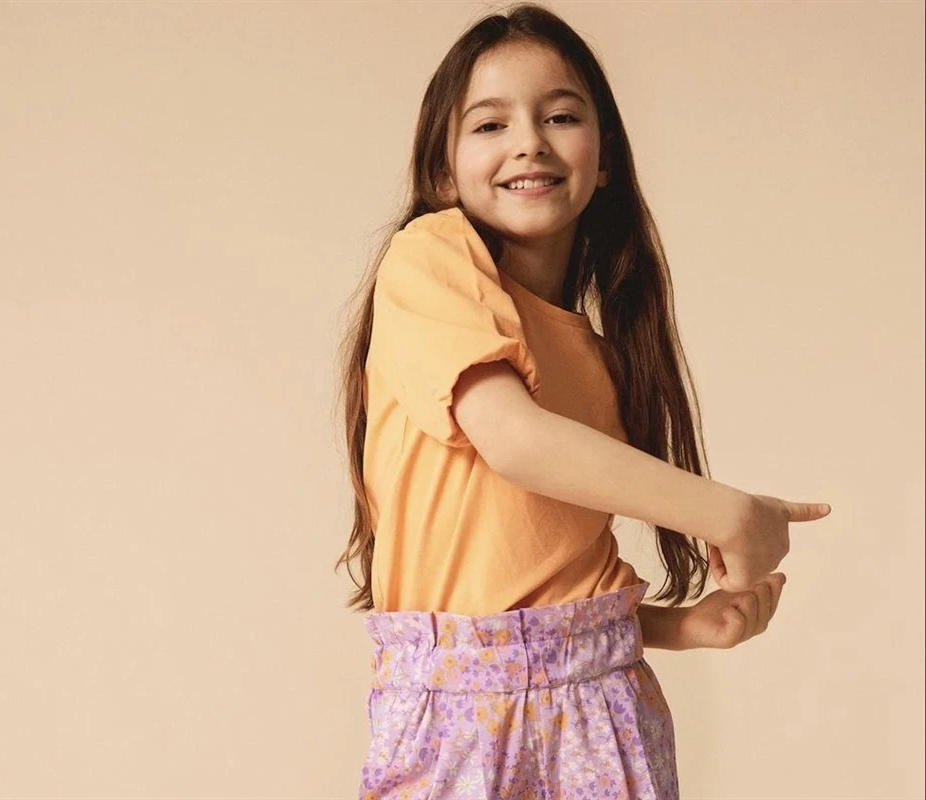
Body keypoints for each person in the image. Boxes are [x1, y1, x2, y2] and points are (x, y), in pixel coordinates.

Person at [333, 4, 831, 798]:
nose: (529, 141)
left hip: (605, 706)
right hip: (456, 722)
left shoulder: (600, 359)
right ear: (442, 173)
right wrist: (729, 515)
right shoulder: (428, 259)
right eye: (489, 124)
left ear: (604, 161)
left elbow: (546, 569)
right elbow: (511, 439)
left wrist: (673, 626)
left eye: (560, 116)